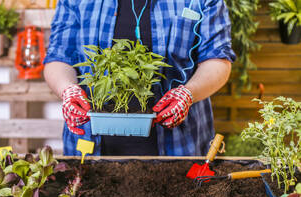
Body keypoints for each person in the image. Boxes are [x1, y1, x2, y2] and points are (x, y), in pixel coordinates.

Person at [43, 0, 236, 156]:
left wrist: (188, 94)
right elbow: (58, 57)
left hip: (180, 145)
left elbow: (218, 60)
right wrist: (67, 89)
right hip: (91, 145)